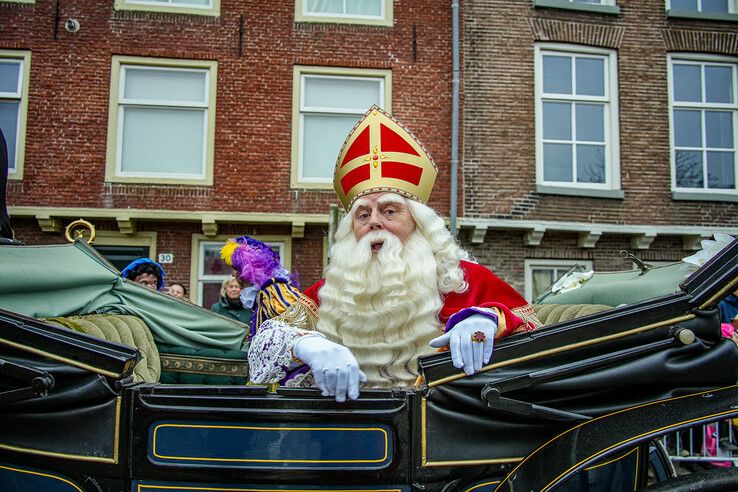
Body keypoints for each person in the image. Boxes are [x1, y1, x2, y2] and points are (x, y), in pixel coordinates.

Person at [248, 105, 540, 402]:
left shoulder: (463, 278)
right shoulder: (331, 291)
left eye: (389, 211)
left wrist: (489, 321)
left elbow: (536, 332)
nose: (374, 221)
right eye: (363, 215)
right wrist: (306, 344)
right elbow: (264, 343)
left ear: (419, 222)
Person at [219, 235, 301, 335]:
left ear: (250, 269)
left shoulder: (273, 292)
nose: (233, 274)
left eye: (236, 269)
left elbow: (293, 330)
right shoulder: (262, 293)